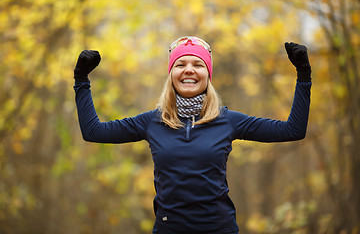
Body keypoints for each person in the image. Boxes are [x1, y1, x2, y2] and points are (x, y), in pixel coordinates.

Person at [73, 36, 311, 234]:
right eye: (180, 64)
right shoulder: (152, 122)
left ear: (208, 74)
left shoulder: (227, 120)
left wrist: (303, 75)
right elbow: (94, 131)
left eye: (197, 64)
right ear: (171, 74)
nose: (189, 70)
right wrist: (81, 80)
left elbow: (292, 130)